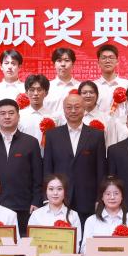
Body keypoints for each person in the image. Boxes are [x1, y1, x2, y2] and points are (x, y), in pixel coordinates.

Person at [0, 99, 43, 232]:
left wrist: (36, 201)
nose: (7, 117)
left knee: (22, 242)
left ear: (18, 116)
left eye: (11, 113)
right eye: (3, 113)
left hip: (24, 206)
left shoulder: (31, 143)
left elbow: (38, 176)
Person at [43, 93, 106, 221]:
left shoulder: (97, 135)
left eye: (77, 107)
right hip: (59, 197)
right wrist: (46, 197)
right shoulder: (52, 135)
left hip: (87, 198)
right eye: (69, 107)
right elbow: (47, 168)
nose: (73, 111)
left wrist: (99, 198)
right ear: (63, 109)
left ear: (84, 109)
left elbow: (101, 170)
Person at [81, 176, 128, 252]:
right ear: (102, 197)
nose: (112, 197)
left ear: (122, 196)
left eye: (116, 193)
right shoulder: (91, 221)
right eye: (108, 194)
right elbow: (84, 249)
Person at [92, 44, 128, 115]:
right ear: (98, 62)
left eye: (111, 57)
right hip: (98, 121)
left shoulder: (127, 85)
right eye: (104, 58)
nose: (107, 61)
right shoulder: (93, 86)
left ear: (117, 61)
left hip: (122, 122)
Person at [18, 74, 53, 149]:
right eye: (32, 90)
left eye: (39, 90)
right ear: (26, 93)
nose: (36, 93)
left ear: (46, 93)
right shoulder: (19, 116)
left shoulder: (54, 116)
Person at [45, 47, 79, 117]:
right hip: (50, 123)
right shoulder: (46, 87)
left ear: (73, 64)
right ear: (54, 64)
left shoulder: (80, 87)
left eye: (67, 60)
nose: (63, 64)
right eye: (59, 60)